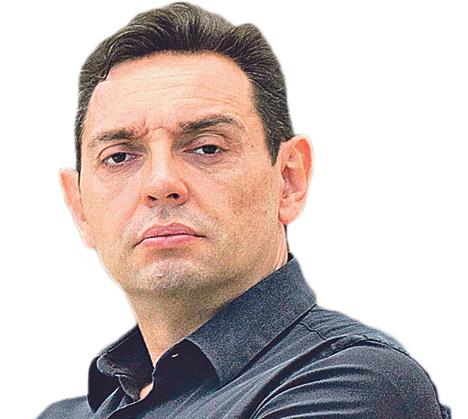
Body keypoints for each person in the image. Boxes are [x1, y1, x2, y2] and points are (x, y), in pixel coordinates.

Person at [39, 3, 450, 418]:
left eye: (207, 148)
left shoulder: (355, 385)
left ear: (289, 179)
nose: (160, 183)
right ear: (79, 206)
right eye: (119, 156)